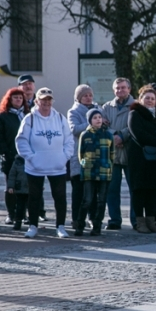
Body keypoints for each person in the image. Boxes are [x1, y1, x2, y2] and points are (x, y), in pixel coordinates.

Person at [15, 88, 74, 238]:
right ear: (36, 101)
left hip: (57, 166)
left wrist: (63, 157)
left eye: (49, 100)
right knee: (34, 196)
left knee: (60, 196)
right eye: (43, 100)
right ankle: (33, 226)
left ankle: (60, 226)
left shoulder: (60, 118)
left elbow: (69, 141)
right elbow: (21, 141)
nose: (46, 103)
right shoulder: (29, 119)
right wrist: (32, 158)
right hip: (35, 167)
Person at [128, 85, 156, 234]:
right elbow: (137, 133)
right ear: (140, 99)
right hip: (139, 158)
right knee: (140, 191)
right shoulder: (135, 114)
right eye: (147, 98)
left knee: (152, 191)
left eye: (153, 98)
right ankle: (140, 222)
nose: (150, 101)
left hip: (155, 157)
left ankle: (151, 221)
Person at [102, 77, 135, 230]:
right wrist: (114, 136)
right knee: (112, 189)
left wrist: (122, 136)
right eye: (117, 88)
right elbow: (101, 125)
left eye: (123, 87)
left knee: (134, 189)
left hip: (130, 152)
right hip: (112, 154)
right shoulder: (107, 107)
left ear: (129, 89)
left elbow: (136, 126)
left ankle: (136, 220)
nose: (120, 90)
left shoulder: (136, 106)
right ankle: (114, 219)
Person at [75, 107, 113, 236]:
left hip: (104, 171)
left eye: (99, 117)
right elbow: (80, 153)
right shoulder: (85, 135)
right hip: (89, 172)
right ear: (90, 121)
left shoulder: (108, 134)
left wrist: (109, 166)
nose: (98, 120)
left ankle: (97, 226)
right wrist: (84, 164)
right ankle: (79, 225)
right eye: (95, 118)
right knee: (87, 200)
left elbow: (112, 154)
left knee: (102, 200)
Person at [68, 85, 99, 230]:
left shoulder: (98, 109)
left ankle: (93, 218)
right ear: (78, 97)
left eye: (90, 95)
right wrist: (92, 122)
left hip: (97, 157)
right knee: (78, 192)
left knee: (94, 191)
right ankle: (76, 219)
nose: (88, 98)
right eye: (85, 95)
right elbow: (74, 129)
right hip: (80, 156)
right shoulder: (73, 111)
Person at [0, 88, 27, 225]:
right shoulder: (3, 116)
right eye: (15, 98)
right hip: (10, 157)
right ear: (9, 100)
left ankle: (22, 213)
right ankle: (11, 214)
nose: (18, 100)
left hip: (26, 157)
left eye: (20, 98)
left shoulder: (28, 115)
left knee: (25, 187)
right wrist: (6, 152)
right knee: (11, 186)